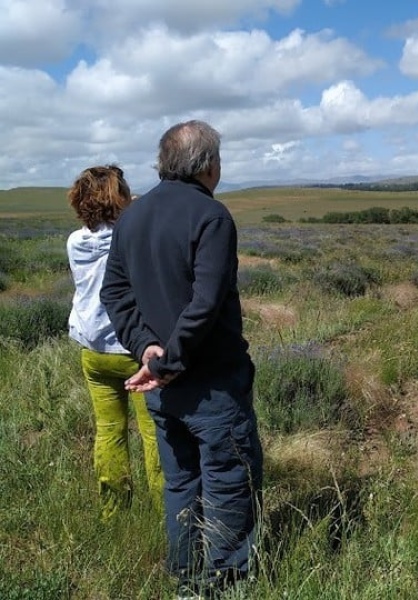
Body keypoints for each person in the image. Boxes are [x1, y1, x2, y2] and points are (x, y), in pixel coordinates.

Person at [100, 120, 263, 599]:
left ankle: (186, 583)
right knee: (228, 482)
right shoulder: (211, 216)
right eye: (218, 160)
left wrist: (146, 349)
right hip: (211, 383)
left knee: (181, 486)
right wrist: (167, 358)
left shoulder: (133, 216)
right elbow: (206, 302)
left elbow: (116, 292)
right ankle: (225, 585)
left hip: (162, 387)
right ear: (207, 164)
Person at [66, 165, 163, 521]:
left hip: (92, 350)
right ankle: (166, 515)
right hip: (132, 349)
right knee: (154, 436)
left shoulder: (75, 241)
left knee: (109, 431)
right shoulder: (130, 236)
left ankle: (114, 513)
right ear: (118, 197)